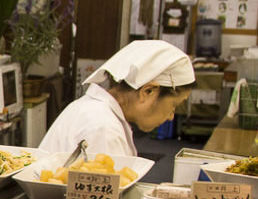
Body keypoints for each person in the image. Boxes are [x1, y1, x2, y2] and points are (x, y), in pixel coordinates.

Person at [39, 39, 194, 157]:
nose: (171, 116)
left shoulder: (95, 109)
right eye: (174, 104)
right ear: (147, 91)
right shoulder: (103, 126)